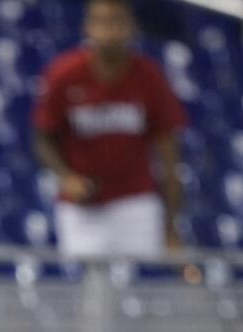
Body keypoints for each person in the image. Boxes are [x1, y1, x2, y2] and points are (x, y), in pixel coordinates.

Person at [33, 0, 187, 259]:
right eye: (101, 22)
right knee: (91, 293)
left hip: (135, 201)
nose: (109, 30)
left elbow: (169, 153)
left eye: (117, 21)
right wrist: (66, 177)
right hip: (82, 208)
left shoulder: (149, 76)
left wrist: (170, 224)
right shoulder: (64, 74)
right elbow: (43, 138)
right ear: (88, 28)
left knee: (141, 288)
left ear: (131, 27)